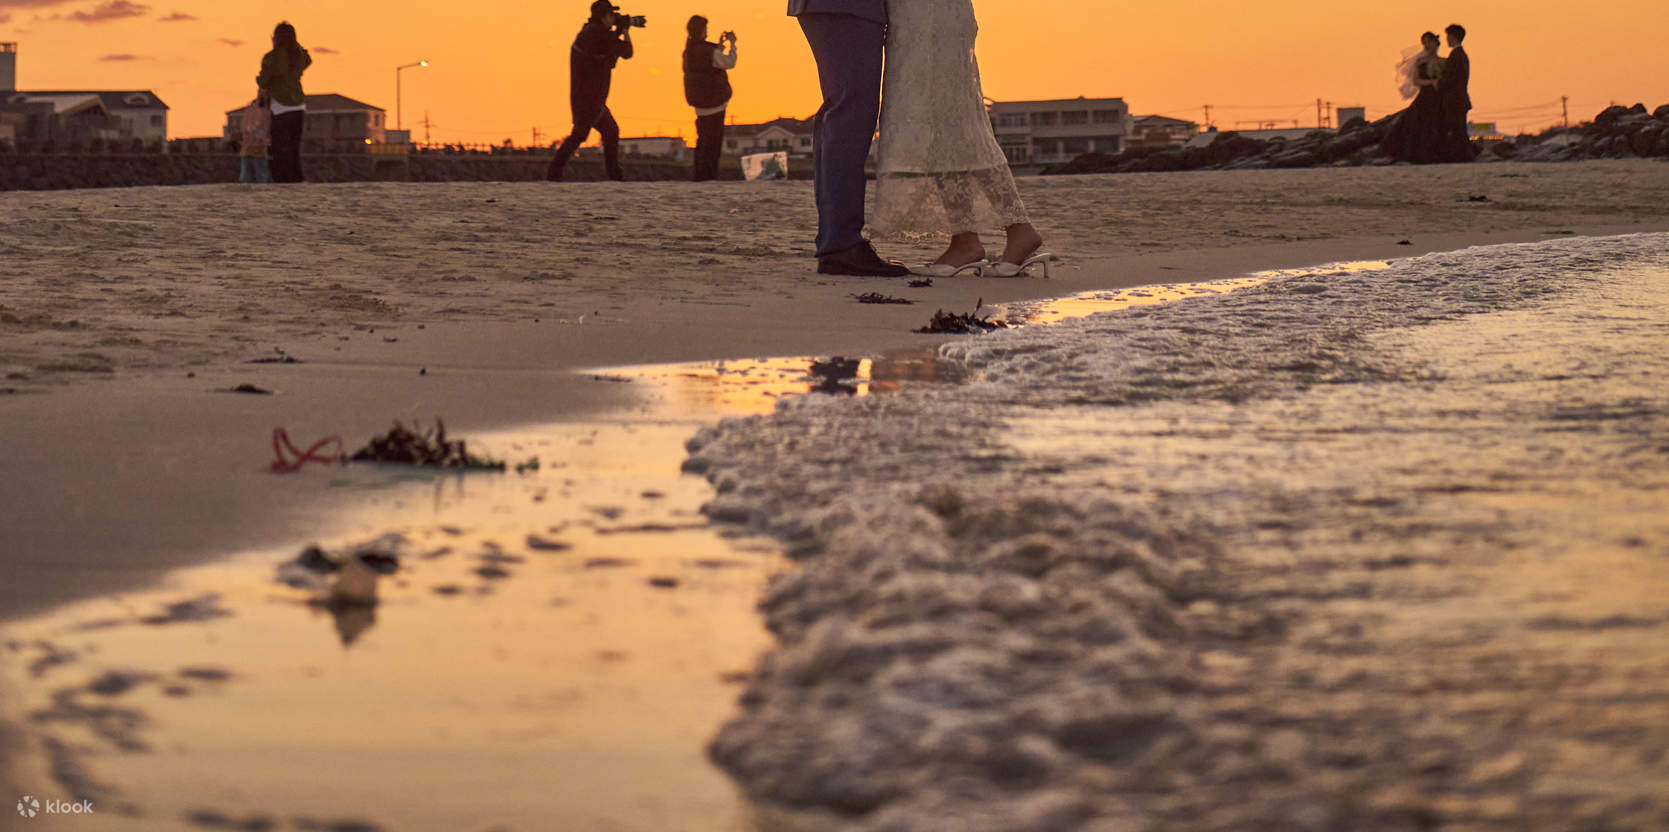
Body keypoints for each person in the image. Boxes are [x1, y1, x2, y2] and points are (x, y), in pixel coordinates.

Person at [872, 0, 1047, 277]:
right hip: (918, 20)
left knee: (954, 124)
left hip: (930, 20)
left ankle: (1014, 229)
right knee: (945, 128)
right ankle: (968, 239)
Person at [788, 0, 909, 277]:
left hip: (838, 8)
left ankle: (836, 240)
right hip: (847, 7)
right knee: (850, 113)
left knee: (842, 111)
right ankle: (841, 243)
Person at [547, 0, 635, 182]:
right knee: (580, 134)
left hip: (589, 96)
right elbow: (627, 52)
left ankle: (614, 176)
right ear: (604, 17)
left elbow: (609, 48)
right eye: (612, 15)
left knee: (609, 131)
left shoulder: (589, 33)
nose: (614, 18)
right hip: (589, 97)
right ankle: (554, 173)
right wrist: (625, 30)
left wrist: (618, 28)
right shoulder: (597, 35)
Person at [1380, 32, 1446, 164]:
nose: (1427, 45)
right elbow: (1416, 81)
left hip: (1438, 97)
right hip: (1425, 95)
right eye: (1425, 43)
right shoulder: (1420, 62)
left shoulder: (1444, 61)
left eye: (1429, 42)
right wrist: (1431, 82)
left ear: (1436, 43)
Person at [684, 16, 737, 181]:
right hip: (715, 102)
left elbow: (709, 59)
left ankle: (699, 176)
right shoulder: (707, 51)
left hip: (699, 103)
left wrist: (719, 46)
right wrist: (733, 44)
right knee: (713, 144)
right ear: (702, 30)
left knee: (702, 142)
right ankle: (709, 176)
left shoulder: (689, 51)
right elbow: (729, 62)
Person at [257, 21, 311, 183]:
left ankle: (280, 179)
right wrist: (296, 45)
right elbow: (308, 59)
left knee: (277, 146)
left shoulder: (272, 57)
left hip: (279, 106)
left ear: (276, 38)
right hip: (298, 104)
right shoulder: (298, 56)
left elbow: (263, 81)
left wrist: (259, 79)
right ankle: (297, 178)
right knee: (293, 147)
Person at [1437, 23, 1475, 162]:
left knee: (1457, 129)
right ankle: (1463, 155)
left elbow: (1451, 79)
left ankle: (1464, 156)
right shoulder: (1460, 55)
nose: (1447, 39)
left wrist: (1438, 84)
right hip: (1458, 99)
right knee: (1459, 128)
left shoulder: (1456, 55)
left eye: (1448, 36)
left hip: (1455, 99)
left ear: (1453, 37)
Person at [238, 93, 272, 184]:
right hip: (258, 150)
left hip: (247, 149)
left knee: (247, 178)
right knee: (260, 176)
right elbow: (264, 131)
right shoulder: (266, 112)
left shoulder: (249, 111)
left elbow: (244, 128)